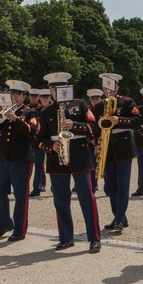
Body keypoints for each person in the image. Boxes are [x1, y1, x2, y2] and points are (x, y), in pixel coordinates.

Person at [37, 73, 101, 252]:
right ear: (50, 90)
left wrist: (75, 125)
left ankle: (94, 238)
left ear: (68, 88)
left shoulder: (80, 105)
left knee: (87, 199)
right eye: (54, 89)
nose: (57, 91)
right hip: (57, 159)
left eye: (61, 88)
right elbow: (38, 139)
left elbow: (93, 127)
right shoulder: (46, 111)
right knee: (60, 200)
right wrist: (51, 146)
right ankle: (66, 237)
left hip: (79, 156)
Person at [0, 80, 39, 242]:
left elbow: (32, 131)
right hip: (2, 157)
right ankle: (4, 223)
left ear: (23, 96)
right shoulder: (3, 111)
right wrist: (0, 117)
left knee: (20, 195)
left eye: (17, 95)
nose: (13, 97)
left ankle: (20, 229)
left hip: (21, 158)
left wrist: (16, 119)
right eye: (11, 94)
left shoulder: (30, 112)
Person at [95, 73, 140, 232]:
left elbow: (136, 121)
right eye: (105, 86)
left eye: (111, 86)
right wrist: (96, 144)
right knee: (111, 187)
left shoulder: (127, 102)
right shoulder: (99, 106)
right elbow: (95, 128)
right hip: (107, 149)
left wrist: (119, 120)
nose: (108, 89)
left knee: (122, 186)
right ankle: (119, 216)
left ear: (117, 87)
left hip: (124, 147)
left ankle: (119, 219)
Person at [30, 89, 48, 197]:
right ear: (40, 99)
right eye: (43, 97)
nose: (45, 99)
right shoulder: (36, 111)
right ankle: (36, 187)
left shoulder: (54, 110)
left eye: (47, 97)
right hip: (39, 141)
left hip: (51, 141)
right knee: (38, 164)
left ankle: (53, 187)